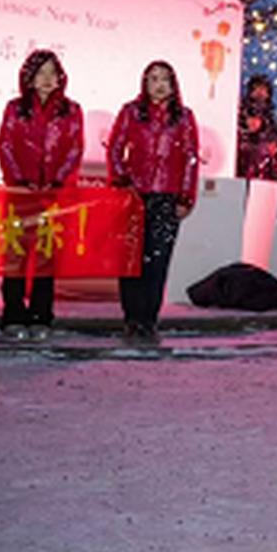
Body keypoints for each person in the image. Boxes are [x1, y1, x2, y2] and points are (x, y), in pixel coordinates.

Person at [107, 60, 199, 342]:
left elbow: (191, 159)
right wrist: (123, 182)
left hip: (167, 198)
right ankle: (132, 320)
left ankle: (149, 320)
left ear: (173, 85)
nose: (159, 85)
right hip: (134, 196)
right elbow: (114, 149)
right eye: (153, 79)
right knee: (131, 260)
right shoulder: (132, 113)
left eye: (164, 79)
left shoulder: (183, 117)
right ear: (144, 84)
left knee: (158, 262)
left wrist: (185, 196)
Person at [0, 50, 83, 340]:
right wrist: (18, 180)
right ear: (29, 78)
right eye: (41, 73)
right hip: (20, 193)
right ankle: (12, 314)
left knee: (47, 256)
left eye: (52, 72)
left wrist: (59, 181)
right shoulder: (15, 108)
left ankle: (41, 316)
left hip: (54, 196)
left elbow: (74, 149)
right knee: (16, 255)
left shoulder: (71, 110)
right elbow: (5, 145)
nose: (47, 79)